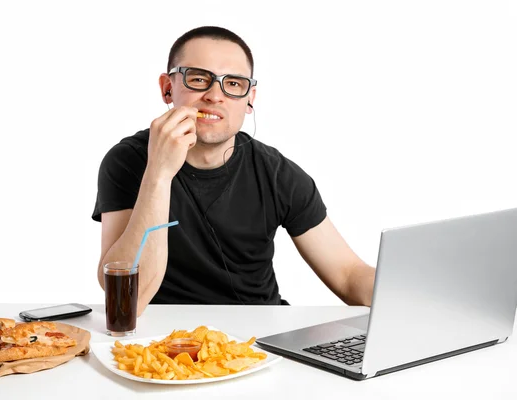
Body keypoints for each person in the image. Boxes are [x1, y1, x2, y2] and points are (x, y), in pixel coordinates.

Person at [92, 26, 375, 316]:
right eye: (199, 79)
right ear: (168, 88)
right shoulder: (127, 161)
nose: (215, 96)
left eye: (234, 84)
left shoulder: (277, 174)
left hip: (260, 341)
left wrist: (411, 292)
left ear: (250, 98)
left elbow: (348, 275)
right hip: (167, 343)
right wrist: (159, 173)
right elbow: (128, 299)